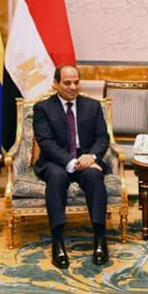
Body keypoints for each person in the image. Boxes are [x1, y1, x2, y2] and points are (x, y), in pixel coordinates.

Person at [32, 64, 110, 269]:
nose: (73, 87)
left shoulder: (92, 106)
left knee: (94, 177)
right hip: (56, 162)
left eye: (76, 82)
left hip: (86, 160)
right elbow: (45, 142)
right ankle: (57, 240)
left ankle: (100, 238)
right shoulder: (43, 108)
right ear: (55, 84)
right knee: (57, 178)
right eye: (67, 83)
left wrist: (91, 157)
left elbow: (102, 138)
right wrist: (71, 162)